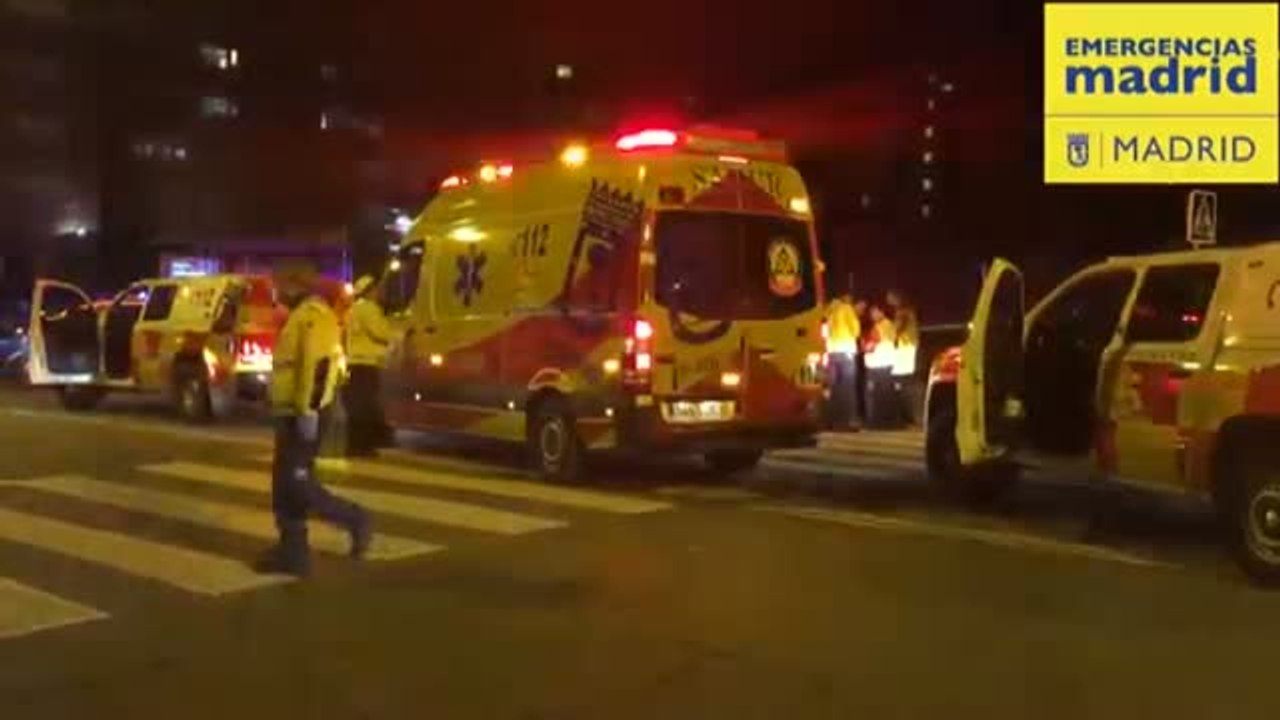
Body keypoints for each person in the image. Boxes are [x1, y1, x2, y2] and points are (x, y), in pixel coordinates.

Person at [256, 261, 372, 576]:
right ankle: (292, 552)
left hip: (302, 414)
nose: (276, 294)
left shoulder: (314, 317)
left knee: (297, 483)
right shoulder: (301, 316)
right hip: (290, 413)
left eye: (280, 287)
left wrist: (307, 410)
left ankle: (355, 518)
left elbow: (318, 369)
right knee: (284, 486)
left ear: (296, 285)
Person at [343, 274, 396, 456]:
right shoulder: (369, 309)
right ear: (368, 292)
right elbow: (382, 333)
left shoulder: (353, 310)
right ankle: (363, 446)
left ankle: (356, 445)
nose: (379, 292)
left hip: (354, 362)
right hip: (367, 364)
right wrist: (398, 334)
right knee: (366, 406)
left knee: (357, 407)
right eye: (375, 289)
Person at [824, 291, 863, 430]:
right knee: (847, 388)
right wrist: (856, 317)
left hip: (831, 352)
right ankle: (848, 421)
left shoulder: (827, 310)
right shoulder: (846, 309)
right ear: (846, 297)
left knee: (833, 387)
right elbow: (856, 331)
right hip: (846, 351)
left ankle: (832, 420)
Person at [886, 289, 923, 428]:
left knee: (904, 383)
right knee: (907, 383)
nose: (888, 301)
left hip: (906, 349)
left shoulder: (903, 312)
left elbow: (896, 330)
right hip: (909, 347)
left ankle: (913, 417)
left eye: (890, 298)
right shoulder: (909, 311)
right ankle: (914, 417)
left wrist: (889, 336)